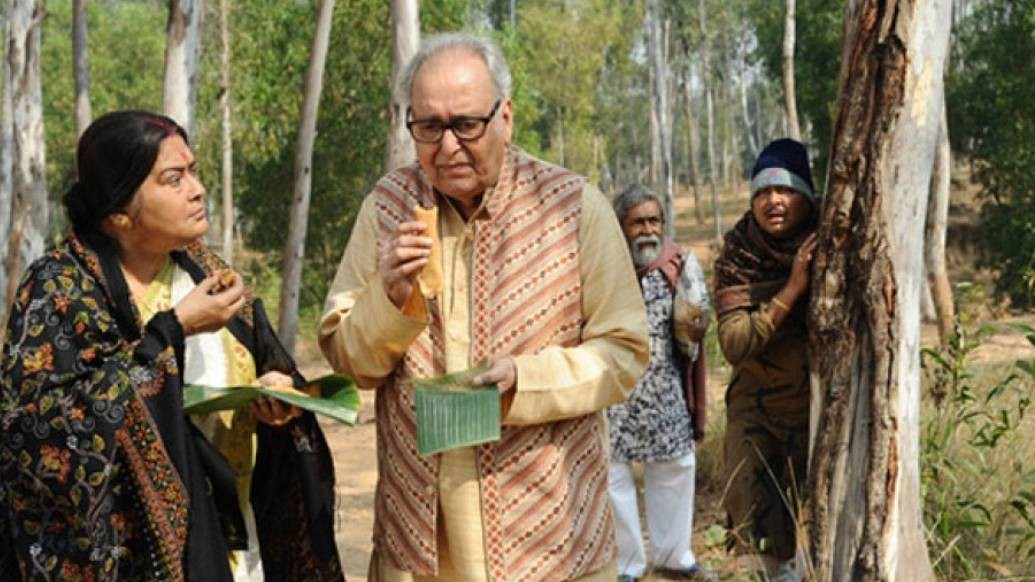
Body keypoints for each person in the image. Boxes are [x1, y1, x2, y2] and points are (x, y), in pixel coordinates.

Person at [319, 33, 649, 581]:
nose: (447, 147)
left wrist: (525, 380)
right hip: (419, 542)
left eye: (466, 124)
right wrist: (390, 295)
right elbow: (349, 359)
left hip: (549, 538)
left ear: (507, 118)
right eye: (428, 127)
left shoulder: (571, 208)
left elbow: (624, 352)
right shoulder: (387, 208)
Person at [0, 110, 343, 581]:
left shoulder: (206, 272)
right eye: (173, 179)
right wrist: (173, 330)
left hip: (236, 547)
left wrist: (281, 399)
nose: (197, 189)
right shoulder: (59, 291)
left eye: (194, 172)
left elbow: (275, 367)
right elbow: (36, 440)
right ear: (120, 212)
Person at [713, 138, 819, 581]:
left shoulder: (832, 244)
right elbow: (735, 343)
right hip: (755, 417)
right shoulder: (739, 254)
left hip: (815, 415)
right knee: (757, 544)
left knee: (815, 536)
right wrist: (793, 288)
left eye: (787, 190)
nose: (773, 201)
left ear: (807, 197)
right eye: (762, 192)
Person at [607, 186, 715, 582]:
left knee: (675, 468)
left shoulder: (680, 264)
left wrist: (696, 321)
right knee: (612, 474)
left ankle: (674, 556)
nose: (647, 230)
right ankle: (626, 565)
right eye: (638, 222)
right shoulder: (604, 265)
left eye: (654, 221)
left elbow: (694, 328)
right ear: (621, 227)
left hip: (663, 388)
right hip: (614, 391)